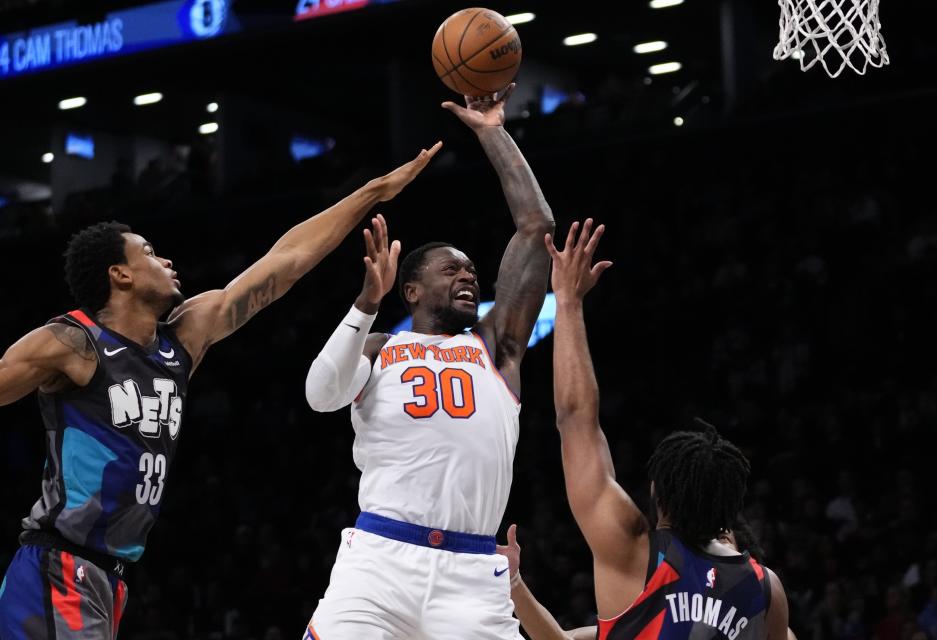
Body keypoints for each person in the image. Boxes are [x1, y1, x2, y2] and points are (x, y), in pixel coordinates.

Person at [0, 142, 441, 639]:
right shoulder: (73, 342)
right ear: (119, 274)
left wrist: (375, 191)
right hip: (57, 566)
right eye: (147, 252)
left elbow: (286, 261)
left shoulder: (182, 340)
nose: (165, 258)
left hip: (108, 576)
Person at [302, 84, 554, 639]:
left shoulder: (496, 347)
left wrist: (493, 134)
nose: (468, 275)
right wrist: (366, 303)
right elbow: (320, 395)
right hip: (379, 562)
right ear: (410, 291)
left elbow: (536, 232)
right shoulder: (377, 348)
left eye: (471, 270)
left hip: (471, 571)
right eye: (450, 270)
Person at [544, 219, 791, 640]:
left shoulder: (632, 547)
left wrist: (568, 301)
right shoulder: (766, 588)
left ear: (658, 490)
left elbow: (575, 418)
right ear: (731, 507)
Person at [496, 521, 798, 640]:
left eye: (723, 539)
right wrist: (514, 582)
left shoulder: (772, 626)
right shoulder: (651, 613)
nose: (714, 549)